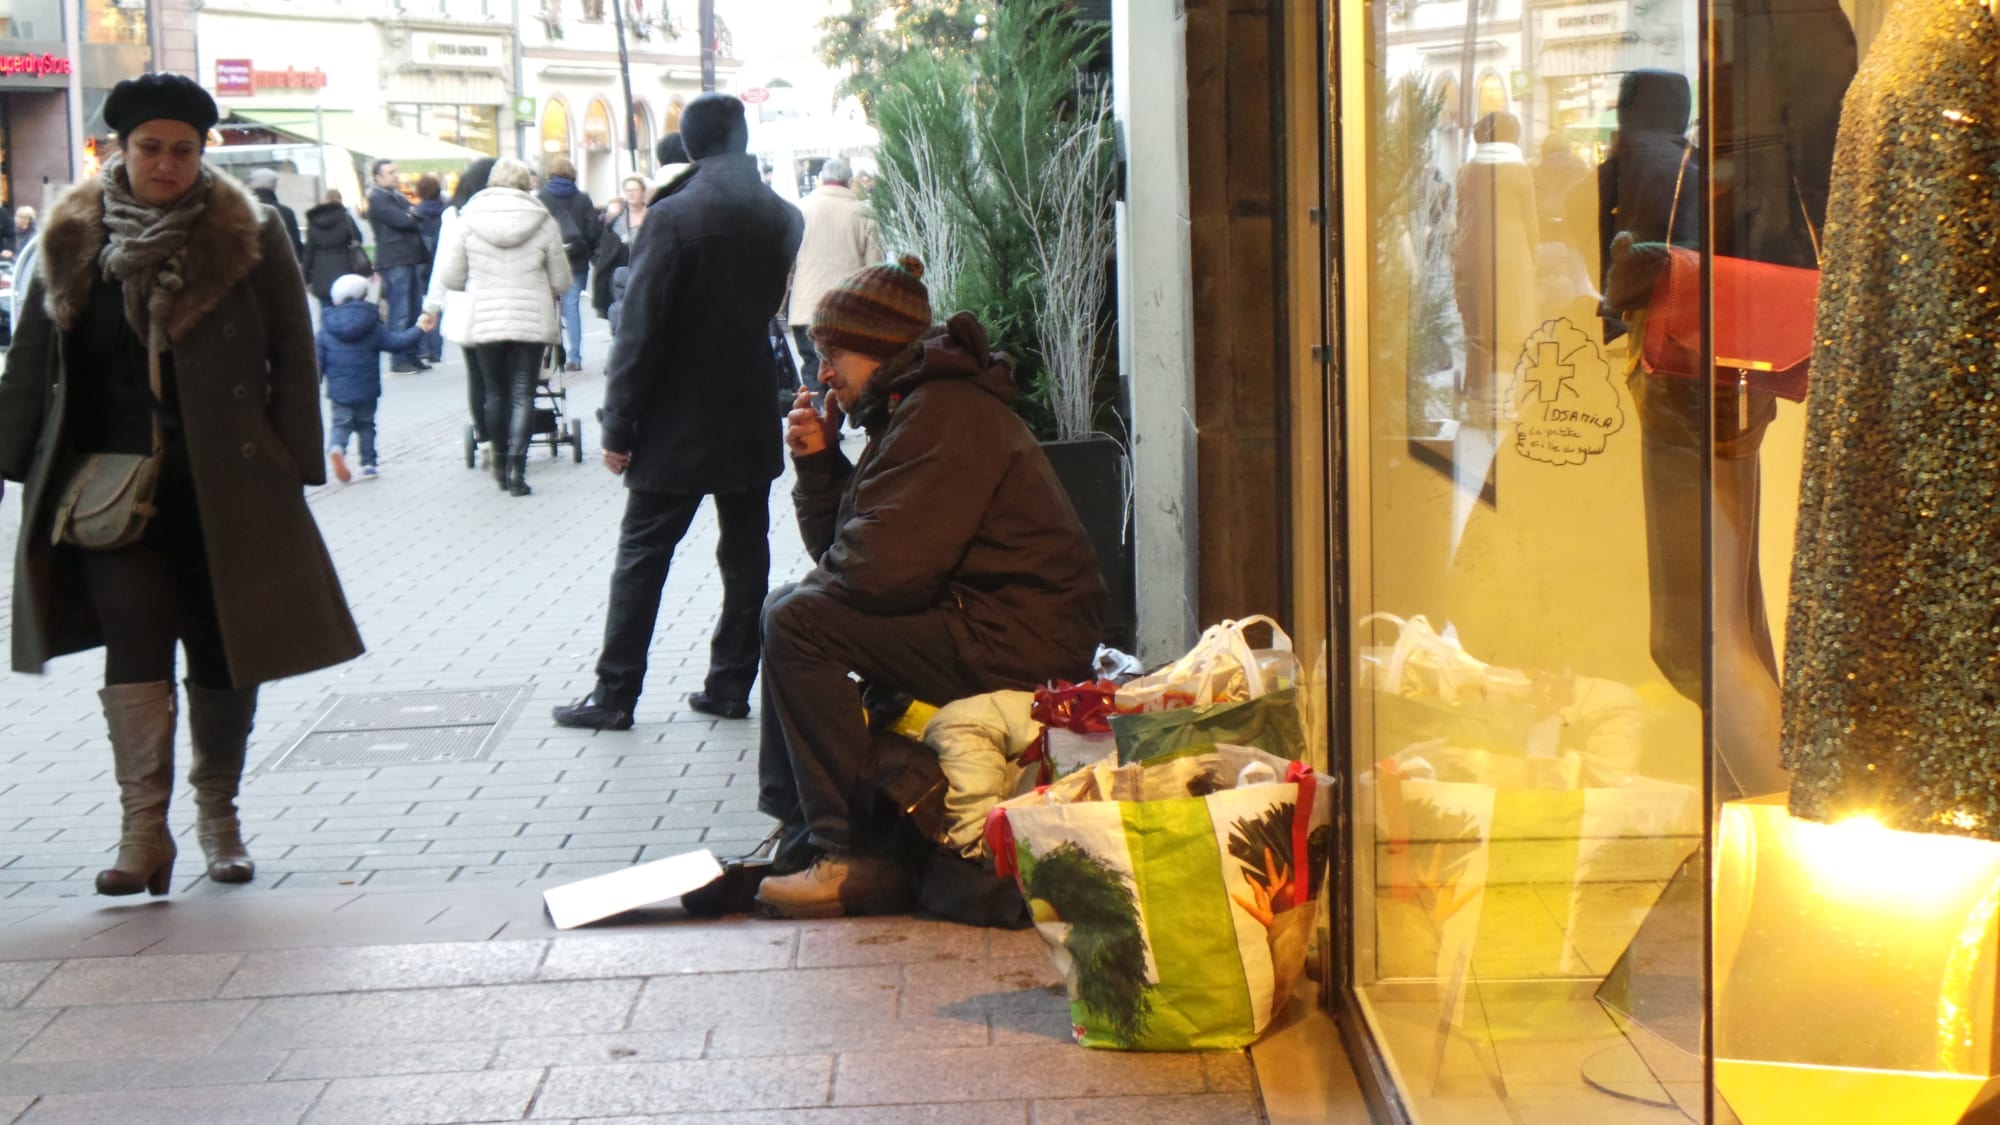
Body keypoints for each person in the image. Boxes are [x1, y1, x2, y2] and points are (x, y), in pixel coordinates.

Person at [0, 72, 363, 896]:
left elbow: (292, 356)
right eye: (150, 148)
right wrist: (9, 462)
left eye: (183, 150)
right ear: (118, 151)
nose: (166, 164)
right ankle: (143, 831)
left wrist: (293, 463)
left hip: (225, 485)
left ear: (205, 153)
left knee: (224, 650)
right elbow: (32, 361)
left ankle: (218, 816)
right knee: (135, 646)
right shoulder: (71, 236)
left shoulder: (251, 231)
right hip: (106, 489)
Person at [751, 255, 1107, 918]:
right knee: (791, 610)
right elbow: (858, 556)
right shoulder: (911, 409)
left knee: (798, 619)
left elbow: (878, 572)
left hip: (1019, 640)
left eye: (834, 354)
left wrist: (817, 589)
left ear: (880, 350)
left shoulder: (943, 415)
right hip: (987, 623)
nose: (824, 372)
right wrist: (821, 465)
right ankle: (802, 828)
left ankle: (851, 855)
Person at [551, 92, 803, 732]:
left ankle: (615, 694)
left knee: (643, 552)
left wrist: (619, 423)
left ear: (689, 146)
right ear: (742, 136)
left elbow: (638, 331)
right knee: (747, 552)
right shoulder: (782, 215)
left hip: (676, 418)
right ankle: (729, 683)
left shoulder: (672, 216)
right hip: (745, 405)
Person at [421, 156, 569, 497]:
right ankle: (518, 471)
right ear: (524, 183)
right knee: (523, 394)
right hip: (530, 319)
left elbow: (452, 276)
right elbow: (560, 280)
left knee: (495, 392)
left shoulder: (467, 218)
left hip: (485, 317)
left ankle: (499, 465)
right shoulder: (542, 219)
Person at [422, 158, 497, 460]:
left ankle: (487, 438)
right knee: (504, 379)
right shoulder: (516, 211)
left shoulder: (454, 216)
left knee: (478, 376)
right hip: (504, 306)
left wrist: (431, 307)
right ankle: (507, 439)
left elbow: (443, 265)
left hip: (466, 306)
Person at [787, 156, 882, 393]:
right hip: (847, 311)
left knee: (812, 366)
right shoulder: (864, 213)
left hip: (805, 307)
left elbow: (787, 262)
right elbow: (874, 269)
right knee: (845, 369)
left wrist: (780, 303)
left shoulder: (801, 209)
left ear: (821, 180)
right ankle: (836, 422)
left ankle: (819, 421)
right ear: (849, 182)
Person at [319, 273, 422, 482]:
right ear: (364, 296)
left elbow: (317, 361)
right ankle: (368, 464)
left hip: (339, 390)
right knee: (366, 425)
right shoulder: (372, 325)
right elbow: (396, 343)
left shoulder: (326, 329)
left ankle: (337, 447)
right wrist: (420, 329)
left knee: (341, 424)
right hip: (367, 389)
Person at [535, 154, 600, 371]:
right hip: (576, 260)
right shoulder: (583, 199)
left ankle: (550, 356)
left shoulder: (541, 198)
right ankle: (574, 357)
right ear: (573, 174)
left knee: (547, 308)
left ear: (550, 174)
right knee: (571, 306)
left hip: (547, 261)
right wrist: (592, 253)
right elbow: (593, 230)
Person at [364, 158, 428, 373]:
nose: (395, 175)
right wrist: (410, 216)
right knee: (400, 311)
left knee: (413, 309)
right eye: (390, 172)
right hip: (395, 259)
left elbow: (416, 215)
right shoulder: (378, 198)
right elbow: (404, 221)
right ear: (378, 177)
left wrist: (412, 215)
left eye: (395, 171)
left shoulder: (396, 196)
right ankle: (399, 359)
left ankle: (411, 354)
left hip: (407, 257)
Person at [302, 188, 368, 307]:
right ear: (339, 200)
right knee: (346, 307)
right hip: (344, 268)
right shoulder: (345, 218)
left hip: (320, 271)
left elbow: (309, 251)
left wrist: (305, 277)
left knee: (326, 310)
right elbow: (358, 238)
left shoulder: (314, 221)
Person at [411, 173, 446, 364]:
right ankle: (436, 350)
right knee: (437, 303)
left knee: (423, 303)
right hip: (439, 260)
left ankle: (423, 347)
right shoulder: (445, 210)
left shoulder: (418, 212)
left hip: (421, 260)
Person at [246, 168, 302, 263]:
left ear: (253, 185)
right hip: (281, 267)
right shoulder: (286, 212)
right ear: (274, 186)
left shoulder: (244, 211)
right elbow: (295, 247)